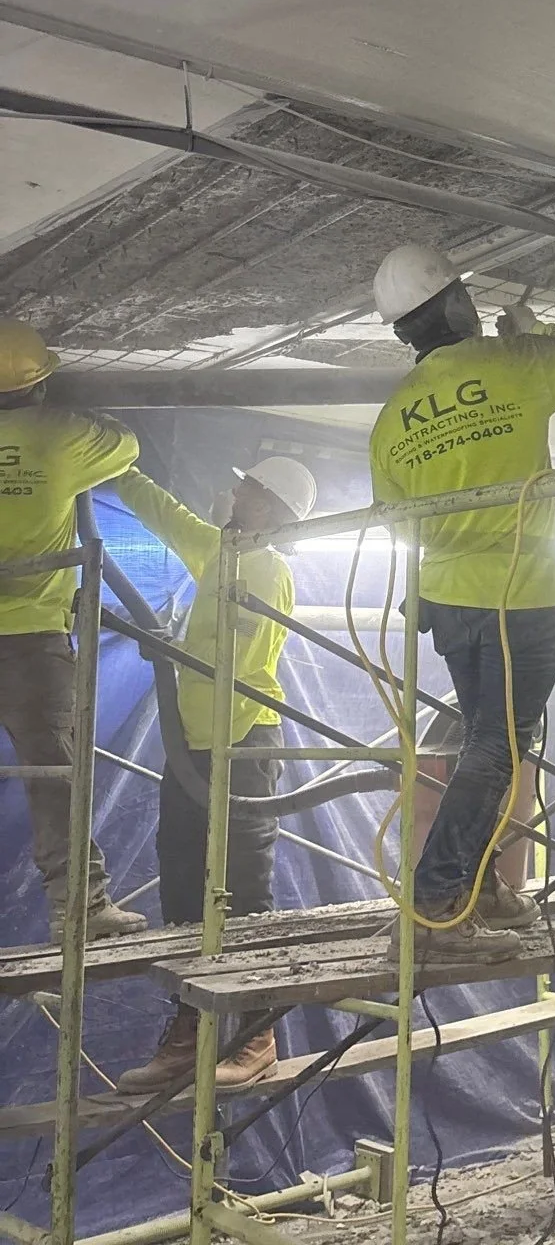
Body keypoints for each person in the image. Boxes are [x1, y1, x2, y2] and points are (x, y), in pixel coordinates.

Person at [369, 244, 555, 962]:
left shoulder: (392, 419)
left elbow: (400, 524)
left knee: (488, 741)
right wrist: (530, 332)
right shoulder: (513, 365)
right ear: (455, 305)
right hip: (525, 595)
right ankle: (435, 901)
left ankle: (476, 882)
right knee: (497, 747)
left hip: (449, 601)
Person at [113, 455, 317, 1092]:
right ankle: (192, 1031)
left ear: (272, 507)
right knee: (181, 883)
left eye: (247, 487)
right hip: (196, 745)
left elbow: (238, 659)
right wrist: (113, 463)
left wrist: (168, 651)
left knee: (242, 888)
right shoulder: (221, 550)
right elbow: (166, 513)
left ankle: (255, 1034)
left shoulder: (266, 569)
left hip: (242, 741)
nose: (234, 491)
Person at [0, 317, 146, 942]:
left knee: (54, 774)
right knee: (55, 775)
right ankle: (79, 907)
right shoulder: (59, 434)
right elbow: (127, 445)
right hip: (32, 640)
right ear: (39, 383)